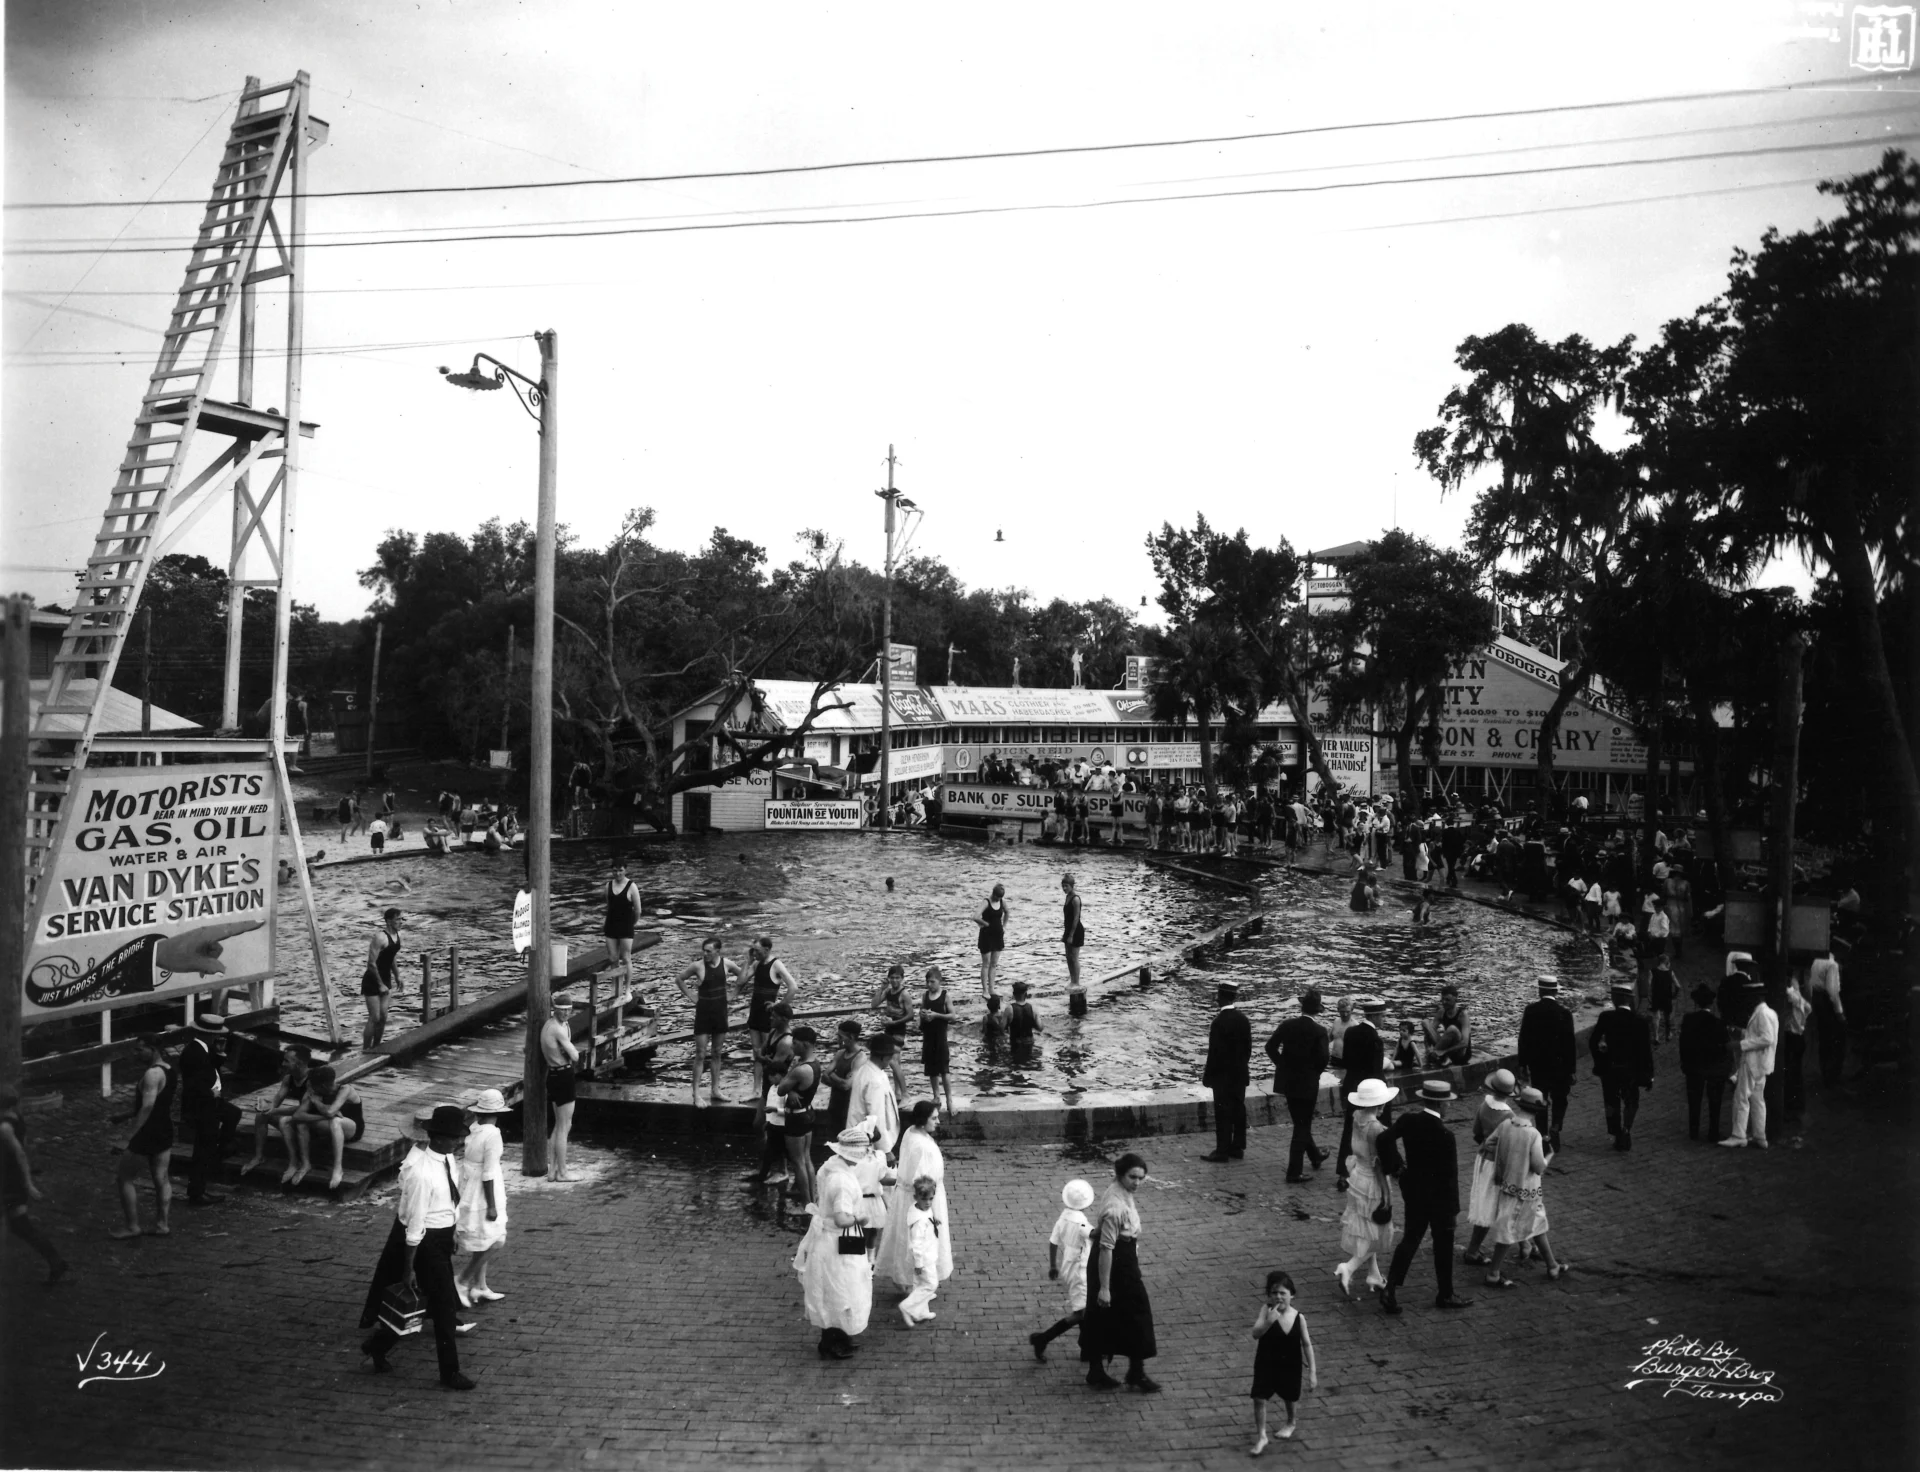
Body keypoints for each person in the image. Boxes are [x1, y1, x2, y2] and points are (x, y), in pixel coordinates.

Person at [359, 1105, 475, 1390]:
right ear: (437, 1138)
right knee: (445, 1307)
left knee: (428, 1303)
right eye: (453, 1137)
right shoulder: (422, 1173)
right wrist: (408, 1267)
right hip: (424, 1242)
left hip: (441, 1236)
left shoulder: (446, 1159)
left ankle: (378, 1345)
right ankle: (450, 1372)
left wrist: (454, 1231)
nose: (458, 1142)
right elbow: (415, 1224)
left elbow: (449, 1201)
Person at [1375, 1080, 1473, 1314]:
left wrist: (1398, 1168)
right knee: (1443, 1247)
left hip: (1415, 1192)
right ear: (1441, 1104)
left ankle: (1390, 1289)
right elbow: (1450, 1176)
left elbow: (1383, 1139)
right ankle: (1445, 1293)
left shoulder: (1409, 1120)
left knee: (1410, 1239)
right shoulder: (1445, 1135)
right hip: (1440, 1200)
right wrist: (1453, 1209)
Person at [1079, 1153, 1159, 1392]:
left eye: (1141, 1178)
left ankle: (1126, 1370)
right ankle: (1120, 1371)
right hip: (1113, 1263)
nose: (1137, 1182)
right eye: (1132, 1177)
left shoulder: (1121, 1192)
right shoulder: (1115, 1207)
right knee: (1127, 1311)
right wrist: (1104, 1287)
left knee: (1112, 1315)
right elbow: (1106, 1248)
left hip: (1123, 1260)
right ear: (1120, 1175)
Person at [794, 1128, 876, 1358]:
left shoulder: (832, 1165)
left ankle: (839, 1337)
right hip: (836, 1243)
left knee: (840, 1289)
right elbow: (841, 1219)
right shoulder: (842, 1181)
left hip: (833, 1241)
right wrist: (860, 1218)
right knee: (839, 1289)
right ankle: (830, 1343)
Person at [1484, 1087, 1569, 1286]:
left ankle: (1552, 1265)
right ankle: (1493, 1273)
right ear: (1537, 1110)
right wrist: (1549, 1156)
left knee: (1537, 1223)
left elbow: (1488, 1144)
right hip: (1527, 1189)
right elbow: (1538, 1167)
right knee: (1509, 1229)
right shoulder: (1533, 1134)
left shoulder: (1506, 1125)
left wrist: (1508, 1155)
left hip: (1508, 1184)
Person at [878, 1101, 953, 1301]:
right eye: (934, 1118)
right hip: (921, 1197)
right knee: (920, 1240)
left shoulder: (912, 1132)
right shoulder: (921, 1145)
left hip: (910, 1195)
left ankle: (909, 1281)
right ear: (922, 1120)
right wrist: (929, 1210)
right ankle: (915, 1284)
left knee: (908, 1238)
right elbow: (920, 1181)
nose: (938, 1122)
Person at [1333, 1078, 1398, 1299]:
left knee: (1366, 1227)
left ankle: (1374, 1274)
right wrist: (1387, 1195)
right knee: (1375, 1230)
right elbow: (1380, 1166)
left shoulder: (1357, 1117)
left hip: (1357, 1176)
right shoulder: (1378, 1129)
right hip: (1372, 1182)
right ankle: (1348, 1268)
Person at [0, 1084, 68, 1284]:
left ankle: (56, 1262)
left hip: (9, 1182)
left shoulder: (4, 1127)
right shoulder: (16, 1118)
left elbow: (19, 1153)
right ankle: (56, 1262)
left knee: (20, 1226)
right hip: (12, 1180)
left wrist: (28, 1183)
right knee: (20, 1226)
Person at [111, 1035, 177, 1239]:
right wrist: (125, 1115)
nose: (136, 1054)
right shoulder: (169, 1070)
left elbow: (148, 1106)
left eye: (140, 1050)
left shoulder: (152, 1074)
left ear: (153, 1049)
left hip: (146, 1132)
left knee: (125, 1178)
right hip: (164, 1129)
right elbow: (158, 1103)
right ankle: (162, 1224)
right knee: (161, 1178)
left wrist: (127, 1138)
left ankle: (132, 1227)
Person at [1265, 988, 1330, 1184]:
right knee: (1302, 1126)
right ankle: (1294, 1171)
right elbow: (1323, 1059)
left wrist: (1283, 1066)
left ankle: (1315, 1155)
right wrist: (1313, 1073)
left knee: (1300, 1122)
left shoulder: (1287, 1025)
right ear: (1317, 1010)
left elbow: (1270, 1047)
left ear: (1302, 1006)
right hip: (1308, 1084)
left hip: (1289, 1082)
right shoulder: (1320, 1031)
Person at [454, 1089, 512, 1306]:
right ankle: (462, 1279)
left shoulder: (475, 1129)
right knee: (495, 1239)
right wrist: (492, 1205)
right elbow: (488, 1173)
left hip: (470, 1183)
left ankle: (480, 1285)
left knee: (484, 1236)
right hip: (484, 1188)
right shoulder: (493, 1134)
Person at [1248, 1271, 1317, 1453]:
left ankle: (1291, 1421)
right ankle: (1262, 1436)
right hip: (1266, 1362)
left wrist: (1312, 1371)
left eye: (1282, 1293)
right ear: (1269, 1296)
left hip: (1290, 1364)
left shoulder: (1298, 1317)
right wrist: (1268, 1322)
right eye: (1274, 1293)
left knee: (1290, 1396)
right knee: (1259, 1398)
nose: (1278, 1297)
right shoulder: (1266, 1311)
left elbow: (1307, 1344)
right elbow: (1255, 1333)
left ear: (1291, 1295)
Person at [1030, 1178, 1095, 1361]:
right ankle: (1043, 1338)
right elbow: (1093, 1235)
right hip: (1080, 1270)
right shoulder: (1082, 1223)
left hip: (1068, 1265)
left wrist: (1053, 1266)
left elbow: (1053, 1242)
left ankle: (1087, 1348)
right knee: (1081, 1312)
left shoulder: (1063, 1218)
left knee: (1084, 1307)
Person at [179, 1014, 240, 1206]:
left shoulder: (204, 1049)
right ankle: (197, 1193)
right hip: (202, 1106)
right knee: (202, 1149)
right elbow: (191, 1084)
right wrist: (209, 1093)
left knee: (233, 1113)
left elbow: (210, 1068)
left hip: (210, 1103)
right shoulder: (193, 1052)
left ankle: (222, 1149)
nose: (217, 1039)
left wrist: (220, 1054)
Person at [674, 937, 742, 1107]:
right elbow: (679, 979)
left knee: (717, 1052)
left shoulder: (727, 964)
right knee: (700, 1054)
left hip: (720, 1013)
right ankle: (696, 1093)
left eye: (708, 951)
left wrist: (734, 993)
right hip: (703, 1014)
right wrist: (691, 996)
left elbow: (743, 976)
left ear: (718, 951)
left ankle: (715, 1090)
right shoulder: (697, 966)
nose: (705, 954)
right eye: (703, 950)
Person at [1459, 1069, 1515, 1267]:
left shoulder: (1484, 1105)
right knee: (1493, 1206)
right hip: (1498, 1164)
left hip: (1482, 1159)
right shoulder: (1509, 1115)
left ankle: (1473, 1249)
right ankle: (1473, 1251)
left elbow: (1475, 1132)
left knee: (1483, 1203)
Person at [1590, 982, 1655, 1150]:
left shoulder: (1606, 1017)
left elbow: (1593, 1042)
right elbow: (1646, 1051)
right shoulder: (1640, 1022)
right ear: (1630, 999)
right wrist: (1649, 1074)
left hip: (1610, 1069)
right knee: (1631, 1101)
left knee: (1611, 1101)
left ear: (1614, 998)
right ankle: (1627, 1129)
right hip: (1631, 1070)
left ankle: (1616, 1132)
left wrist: (1600, 1060)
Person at [285, 1065, 367, 1192]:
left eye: (313, 1085)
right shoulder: (315, 1091)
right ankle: (306, 1164)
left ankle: (338, 1168)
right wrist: (321, 1117)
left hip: (352, 1129)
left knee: (335, 1121)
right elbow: (297, 1115)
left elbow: (330, 1112)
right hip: (330, 1125)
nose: (310, 1088)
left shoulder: (345, 1089)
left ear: (322, 1086)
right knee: (301, 1123)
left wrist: (317, 1103)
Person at [1516, 976, 1575, 1151]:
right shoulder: (1565, 1013)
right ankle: (1555, 1127)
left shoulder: (1531, 1010)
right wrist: (1572, 1069)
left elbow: (1523, 1039)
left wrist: (1522, 1064)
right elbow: (1570, 1044)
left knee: (1540, 1099)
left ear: (1540, 991)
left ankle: (1542, 1135)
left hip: (1538, 1066)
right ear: (1556, 991)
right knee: (1560, 1098)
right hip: (1560, 1066)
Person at [1334, 998, 1386, 1191]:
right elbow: (1377, 1071)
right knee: (1375, 1129)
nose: (1383, 1020)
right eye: (1382, 1016)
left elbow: (1345, 1061)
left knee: (1349, 1130)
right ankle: (1384, 1166)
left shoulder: (1351, 1032)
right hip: (1370, 1092)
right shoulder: (1375, 1039)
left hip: (1351, 1088)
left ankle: (1342, 1172)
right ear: (1375, 1016)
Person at [1721, 977, 1777, 1149]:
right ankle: (1760, 1136)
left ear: (1757, 997)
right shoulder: (1768, 1012)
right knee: (1757, 1099)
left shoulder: (1761, 1014)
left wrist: (1741, 1044)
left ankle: (1739, 1135)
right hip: (1762, 1063)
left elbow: (1767, 1038)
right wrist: (1742, 1033)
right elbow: (1760, 1036)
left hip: (1753, 1062)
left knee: (1741, 1097)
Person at [240, 1044, 311, 1179]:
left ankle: (294, 1163)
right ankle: (259, 1156)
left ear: (300, 1063)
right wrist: (266, 1108)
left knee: (285, 1120)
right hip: (299, 1118)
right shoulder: (288, 1078)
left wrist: (274, 1110)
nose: (283, 1064)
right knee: (262, 1115)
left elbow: (303, 1109)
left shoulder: (311, 1080)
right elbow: (276, 1100)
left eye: (287, 1061)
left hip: (312, 1121)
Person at [1200, 981, 1252, 1163]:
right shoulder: (1243, 1020)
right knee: (1238, 1109)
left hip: (1222, 1077)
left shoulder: (1218, 1023)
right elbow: (1248, 1051)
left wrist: (1207, 1077)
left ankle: (1222, 1150)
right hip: (1239, 1075)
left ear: (1220, 998)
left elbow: (1214, 1054)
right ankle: (1237, 1147)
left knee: (1222, 1112)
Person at [776, 1028, 821, 1205]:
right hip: (807, 1111)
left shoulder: (800, 1069)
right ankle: (813, 1198)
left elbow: (780, 1089)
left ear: (805, 1044)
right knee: (806, 1158)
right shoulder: (815, 1063)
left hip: (796, 1117)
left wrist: (790, 1081)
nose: (792, 1046)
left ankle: (806, 1204)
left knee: (798, 1162)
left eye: (795, 1043)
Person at [1679, 983, 1728, 1142]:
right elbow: (1724, 1047)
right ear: (1711, 1003)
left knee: (1694, 1101)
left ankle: (1694, 1132)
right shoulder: (1719, 1023)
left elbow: (1683, 1044)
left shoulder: (1688, 1020)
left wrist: (1685, 1064)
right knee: (1715, 1102)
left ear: (1695, 1002)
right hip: (1714, 1067)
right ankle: (1713, 1132)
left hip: (1694, 1066)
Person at [895, 1177, 944, 1326]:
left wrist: (933, 1222)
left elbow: (926, 1217)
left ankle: (920, 1312)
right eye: (924, 1199)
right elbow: (916, 1244)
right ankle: (907, 1306)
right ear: (916, 1197)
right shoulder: (918, 1221)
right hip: (923, 1258)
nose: (928, 1203)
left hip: (928, 1254)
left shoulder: (919, 1209)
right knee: (930, 1284)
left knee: (919, 1284)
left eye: (931, 1199)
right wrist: (919, 1263)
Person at [541, 1001, 581, 1180]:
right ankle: (563, 1172)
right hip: (563, 1075)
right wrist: (568, 1052)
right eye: (562, 1010)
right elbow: (575, 1056)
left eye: (568, 1010)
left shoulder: (548, 1025)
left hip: (553, 1075)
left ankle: (552, 1171)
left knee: (558, 1125)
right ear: (554, 1009)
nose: (566, 1013)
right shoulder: (557, 1029)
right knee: (565, 1126)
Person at [847, 1033, 901, 1158]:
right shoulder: (874, 1080)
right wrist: (886, 1150)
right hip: (868, 1142)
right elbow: (876, 1117)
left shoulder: (866, 1070)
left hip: (861, 1136)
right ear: (883, 1057)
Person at [362, 907, 402, 1051]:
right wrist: (380, 984)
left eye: (401, 919)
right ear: (389, 921)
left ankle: (376, 1047)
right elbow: (371, 964)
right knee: (375, 1017)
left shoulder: (396, 935)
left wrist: (397, 976)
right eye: (398, 919)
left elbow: (391, 957)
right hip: (372, 980)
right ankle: (365, 1050)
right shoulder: (380, 937)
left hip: (386, 978)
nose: (401, 922)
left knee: (384, 1016)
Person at [916, 968, 955, 1116]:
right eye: (927, 982)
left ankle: (949, 1099)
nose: (929, 984)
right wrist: (922, 1015)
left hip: (940, 1037)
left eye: (932, 982)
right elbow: (921, 1012)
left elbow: (953, 1016)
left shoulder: (945, 996)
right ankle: (936, 1096)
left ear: (940, 981)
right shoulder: (925, 996)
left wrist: (937, 1015)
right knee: (931, 1069)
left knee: (944, 1069)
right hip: (928, 1036)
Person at [821, 1020, 867, 1142]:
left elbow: (846, 1085)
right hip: (835, 1105)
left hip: (849, 1109)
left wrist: (833, 1075)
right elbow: (824, 1076)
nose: (837, 1039)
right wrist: (837, 1080)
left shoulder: (860, 1057)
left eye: (840, 1036)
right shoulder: (840, 1053)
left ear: (851, 1037)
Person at [602, 859, 643, 991]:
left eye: (620, 870)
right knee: (613, 958)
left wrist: (632, 923)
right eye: (615, 870)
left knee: (626, 958)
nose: (618, 873)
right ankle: (615, 987)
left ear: (625, 870)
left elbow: (638, 910)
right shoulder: (608, 886)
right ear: (611, 871)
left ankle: (627, 989)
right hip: (611, 925)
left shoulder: (632, 886)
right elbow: (609, 906)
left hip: (626, 926)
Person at [1806, 951, 1845, 1087]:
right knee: (1835, 1040)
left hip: (1817, 1000)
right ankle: (1832, 1078)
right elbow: (1832, 991)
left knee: (1824, 1039)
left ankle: (1825, 1074)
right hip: (1827, 1003)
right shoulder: (1832, 965)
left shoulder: (1816, 960)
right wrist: (1839, 1012)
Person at [1782, 974, 1812, 1116]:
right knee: (1796, 1072)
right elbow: (1808, 1009)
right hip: (1799, 1036)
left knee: (1790, 1072)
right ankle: (1797, 1105)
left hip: (1791, 1036)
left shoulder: (1791, 996)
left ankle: (1791, 1106)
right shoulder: (1800, 999)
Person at [1422, 983, 1471, 1068]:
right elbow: (1430, 1033)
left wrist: (1445, 1051)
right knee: (1425, 1022)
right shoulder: (1441, 1012)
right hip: (1443, 1049)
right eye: (1443, 999)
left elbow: (1465, 1043)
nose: (1444, 1002)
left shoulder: (1463, 1015)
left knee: (1452, 1029)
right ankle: (1433, 1054)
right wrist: (1427, 1048)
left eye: (1447, 1000)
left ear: (1455, 999)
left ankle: (1437, 1055)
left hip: (1460, 1053)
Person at [977, 883, 1010, 999]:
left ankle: (992, 989)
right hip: (986, 936)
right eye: (997, 896)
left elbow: (1007, 912)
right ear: (993, 893)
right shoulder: (986, 902)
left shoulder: (1002, 902)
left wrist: (1004, 926)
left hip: (998, 936)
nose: (998, 899)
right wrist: (984, 924)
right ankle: (985, 990)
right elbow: (975, 916)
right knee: (986, 964)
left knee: (994, 964)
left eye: (1000, 897)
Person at [1060, 874, 1087, 1009]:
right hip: (1068, 929)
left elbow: (1076, 918)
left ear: (1072, 886)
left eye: (1066, 886)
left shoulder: (1075, 899)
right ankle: (1072, 980)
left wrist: (1070, 935)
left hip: (1076, 930)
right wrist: (1065, 933)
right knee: (1068, 957)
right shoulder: (1067, 897)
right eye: (1063, 886)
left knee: (1074, 957)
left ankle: (1076, 982)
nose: (1064, 888)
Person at [871, 962, 912, 1046]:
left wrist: (894, 1022)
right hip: (888, 1027)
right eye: (892, 978)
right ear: (889, 978)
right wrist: (881, 988)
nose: (894, 980)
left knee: (895, 1054)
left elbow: (910, 1015)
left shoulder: (904, 994)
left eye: (897, 978)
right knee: (887, 1053)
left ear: (902, 978)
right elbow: (874, 1005)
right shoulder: (887, 991)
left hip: (899, 1029)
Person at [1008, 981, 1042, 1058]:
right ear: (1026, 994)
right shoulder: (1033, 1008)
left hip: (1015, 1042)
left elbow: (1001, 1028)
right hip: (1030, 1041)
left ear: (1013, 994)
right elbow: (1040, 1028)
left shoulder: (1009, 1009)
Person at [1650, 954, 1678, 1043]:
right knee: (1667, 1016)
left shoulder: (1652, 971)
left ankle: (1656, 1037)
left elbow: (1648, 985)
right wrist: (1674, 995)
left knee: (1656, 1017)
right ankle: (1668, 1034)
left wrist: (1649, 996)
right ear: (1667, 962)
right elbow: (1678, 986)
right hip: (1667, 997)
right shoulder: (1670, 972)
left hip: (1656, 996)